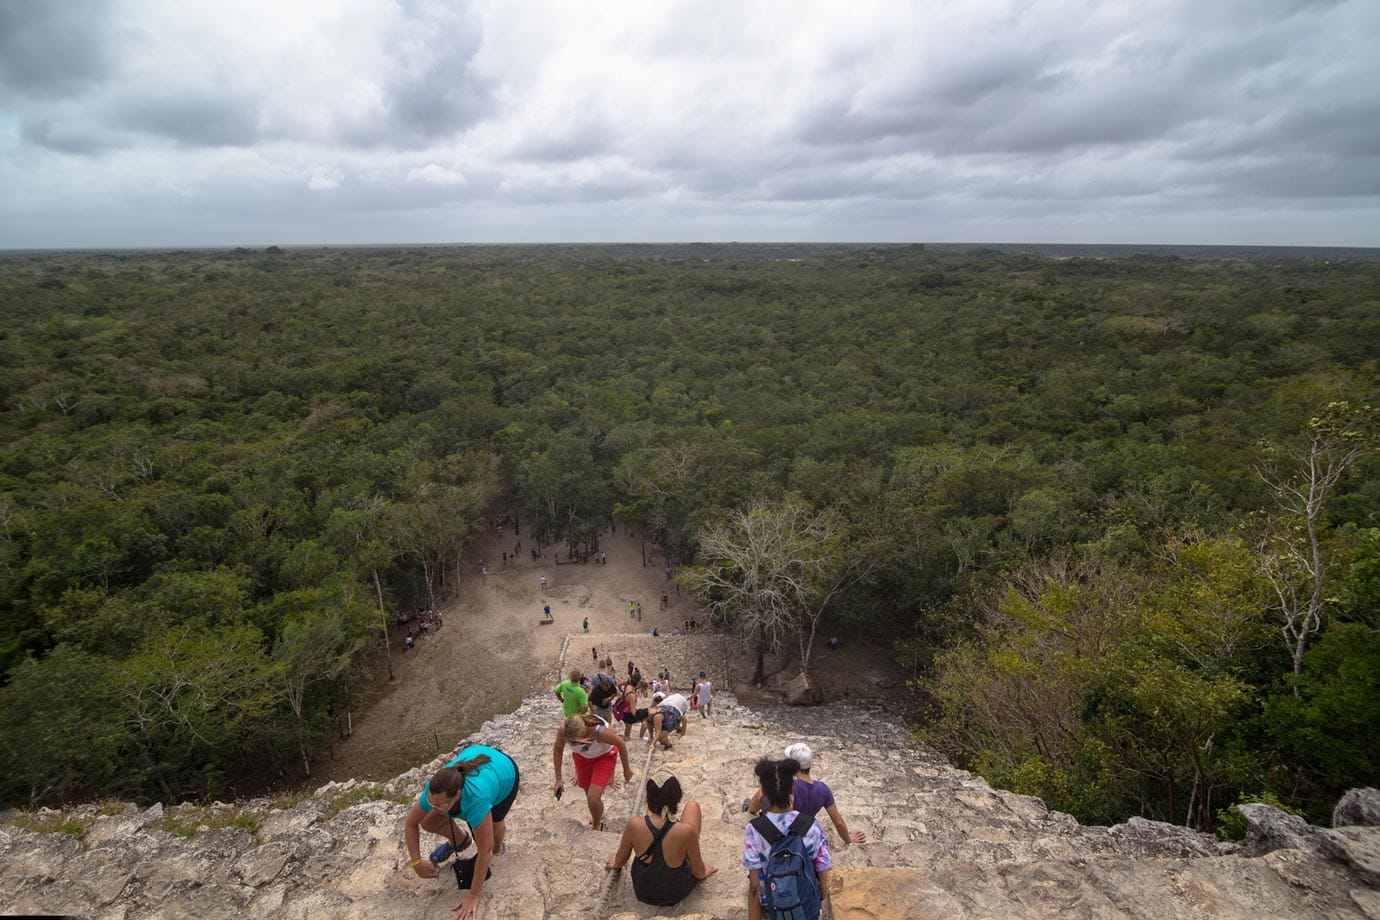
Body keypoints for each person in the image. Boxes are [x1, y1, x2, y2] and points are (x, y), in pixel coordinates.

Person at [404, 745, 520, 920]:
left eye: (440, 805)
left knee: (493, 834)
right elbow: (411, 824)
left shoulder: (476, 800)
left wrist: (473, 895)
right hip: (480, 762)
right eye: (431, 803)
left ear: (456, 796)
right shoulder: (435, 791)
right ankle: (459, 840)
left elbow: (484, 851)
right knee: (428, 820)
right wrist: (416, 862)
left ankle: (499, 846)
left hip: (505, 775)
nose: (434, 807)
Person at [605, 776, 717, 906]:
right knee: (692, 806)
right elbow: (699, 873)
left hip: (643, 891)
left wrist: (616, 863)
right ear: (677, 798)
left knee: (655, 825)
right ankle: (682, 845)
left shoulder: (634, 825)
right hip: (676, 891)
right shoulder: (687, 832)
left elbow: (620, 861)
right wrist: (704, 871)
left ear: (649, 798)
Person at [743, 757, 831, 920]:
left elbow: (754, 888)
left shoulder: (753, 830)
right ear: (792, 790)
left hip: (771, 906)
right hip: (805, 907)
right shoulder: (812, 827)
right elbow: (824, 874)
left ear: (765, 794)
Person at [745, 743, 865, 845]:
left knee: (762, 792)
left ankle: (748, 809)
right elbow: (838, 821)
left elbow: (761, 795)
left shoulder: (788, 786)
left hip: (778, 831)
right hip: (803, 829)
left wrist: (751, 812)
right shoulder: (823, 789)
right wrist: (848, 839)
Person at [553, 712, 633, 830]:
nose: (571, 744)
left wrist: (627, 770)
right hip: (582, 758)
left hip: (604, 757)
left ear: (583, 733)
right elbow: (558, 749)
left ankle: (597, 823)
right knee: (588, 793)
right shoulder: (564, 730)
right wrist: (558, 779)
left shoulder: (600, 732)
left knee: (593, 798)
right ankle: (596, 812)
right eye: (569, 742)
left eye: (575, 742)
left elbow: (620, 743)